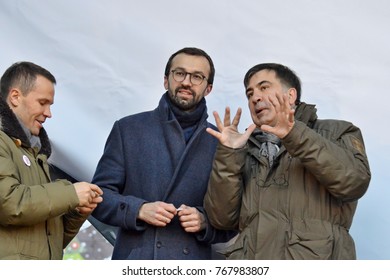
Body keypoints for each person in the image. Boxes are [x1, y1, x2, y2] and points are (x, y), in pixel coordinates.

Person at [204, 63, 371, 260]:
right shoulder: (244, 148)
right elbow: (221, 219)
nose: (255, 97)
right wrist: (229, 155)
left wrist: (295, 135)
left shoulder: (337, 131)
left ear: (291, 96)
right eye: (249, 94)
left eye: (264, 88)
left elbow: (354, 182)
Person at [91, 47, 235, 260]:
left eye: (197, 77)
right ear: (166, 80)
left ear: (208, 88)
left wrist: (205, 221)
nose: (187, 82)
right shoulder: (128, 129)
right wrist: (138, 210)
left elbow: (234, 219)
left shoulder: (220, 142)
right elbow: (98, 198)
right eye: (179, 73)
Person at [0, 61, 103, 260]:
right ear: (15, 97)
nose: (49, 113)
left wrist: (76, 213)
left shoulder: (35, 154)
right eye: (42, 102)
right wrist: (70, 193)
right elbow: (9, 205)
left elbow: (48, 241)